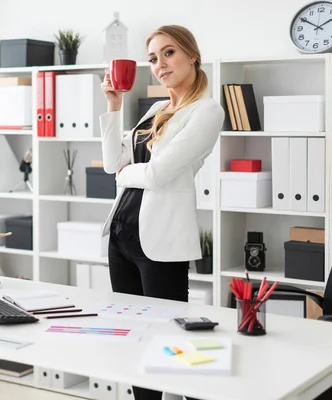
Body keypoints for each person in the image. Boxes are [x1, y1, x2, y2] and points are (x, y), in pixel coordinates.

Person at [99, 25, 224, 400]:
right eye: (153, 58)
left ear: (192, 55)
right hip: (122, 235)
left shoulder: (207, 111)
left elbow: (157, 173)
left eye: (168, 53)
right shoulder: (156, 108)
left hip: (161, 240)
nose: (160, 64)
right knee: (136, 338)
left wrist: (126, 173)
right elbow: (111, 164)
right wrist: (114, 106)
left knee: (170, 339)